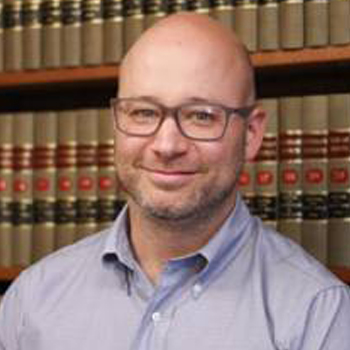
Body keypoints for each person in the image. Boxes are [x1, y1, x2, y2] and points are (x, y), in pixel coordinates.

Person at [0, 12, 349, 350]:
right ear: (116, 121)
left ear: (252, 134)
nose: (167, 146)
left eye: (201, 116)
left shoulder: (318, 318)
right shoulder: (31, 304)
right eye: (143, 112)